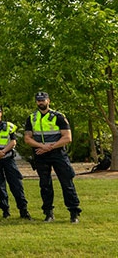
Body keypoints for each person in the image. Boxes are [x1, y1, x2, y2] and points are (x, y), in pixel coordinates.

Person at [24, 92, 81, 223]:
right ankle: (48, 213)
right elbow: (27, 138)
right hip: (40, 154)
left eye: (43, 100)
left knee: (67, 183)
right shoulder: (32, 118)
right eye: (38, 100)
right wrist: (42, 146)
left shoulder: (58, 117)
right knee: (45, 184)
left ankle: (74, 212)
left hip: (58, 154)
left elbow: (67, 137)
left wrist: (51, 146)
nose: (41, 102)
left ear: (48, 100)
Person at [0, 104, 31, 219]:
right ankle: (5, 210)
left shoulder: (9, 126)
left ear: (1, 113)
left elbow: (13, 141)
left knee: (16, 184)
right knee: (0, 186)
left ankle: (23, 210)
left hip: (8, 158)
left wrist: (2, 152)